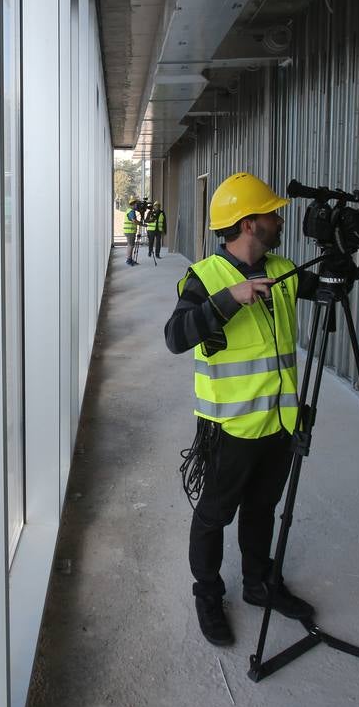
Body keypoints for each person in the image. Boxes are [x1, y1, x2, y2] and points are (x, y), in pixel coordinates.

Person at [163, 172, 318, 646]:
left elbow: (336, 284)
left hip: (280, 421)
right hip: (229, 428)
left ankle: (258, 584)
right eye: (272, 213)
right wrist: (229, 300)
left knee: (262, 508)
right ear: (250, 224)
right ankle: (208, 593)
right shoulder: (205, 278)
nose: (279, 219)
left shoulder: (285, 270)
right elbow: (176, 336)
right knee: (214, 515)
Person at [123, 200, 141, 266]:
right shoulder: (131, 211)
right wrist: (141, 224)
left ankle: (129, 259)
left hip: (129, 231)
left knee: (129, 245)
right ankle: (129, 260)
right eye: (136, 204)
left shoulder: (129, 210)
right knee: (131, 245)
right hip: (130, 231)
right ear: (133, 204)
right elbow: (134, 221)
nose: (137, 206)